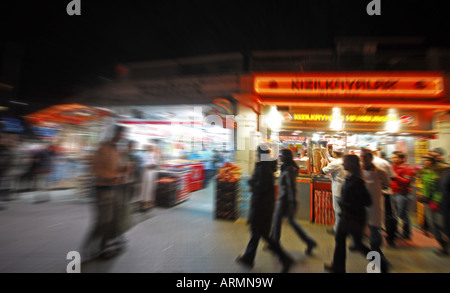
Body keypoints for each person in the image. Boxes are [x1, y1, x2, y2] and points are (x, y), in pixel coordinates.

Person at [236, 144, 294, 273]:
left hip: (261, 207)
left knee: (262, 234)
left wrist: (252, 185)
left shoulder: (263, 168)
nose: (256, 155)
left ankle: (285, 259)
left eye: (257, 153)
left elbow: (261, 188)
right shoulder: (266, 166)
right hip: (265, 206)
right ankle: (248, 258)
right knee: (257, 234)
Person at [81, 125, 128, 261]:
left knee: (111, 220)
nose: (121, 137)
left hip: (114, 189)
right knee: (102, 221)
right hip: (102, 189)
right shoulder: (103, 149)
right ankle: (89, 247)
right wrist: (111, 176)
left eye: (122, 135)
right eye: (120, 134)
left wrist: (124, 169)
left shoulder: (117, 150)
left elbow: (117, 168)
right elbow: (94, 169)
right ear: (114, 133)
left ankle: (104, 248)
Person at [324, 155, 373, 273]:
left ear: (350, 164)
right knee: (340, 239)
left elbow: (367, 201)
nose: (343, 164)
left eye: (345, 162)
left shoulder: (357, 181)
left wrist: (349, 203)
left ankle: (381, 263)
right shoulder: (350, 177)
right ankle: (338, 266)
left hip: (353, 217)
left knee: (358, 244)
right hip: (347, 216)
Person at [269, 148, 317, 255]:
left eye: (281, 155)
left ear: (286, 156)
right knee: (282, 221)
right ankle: (274, 242)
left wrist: (292, 202)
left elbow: (291, 187)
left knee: (280, 220)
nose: (279, 156)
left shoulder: (289, 169)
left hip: (286, 199)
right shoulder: (286, 166)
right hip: (285, 198)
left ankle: (309, 242)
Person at [361, 151, 391, 269]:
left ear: (371, 158)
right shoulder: (359, 171)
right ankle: (379, 259)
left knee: (374, 233)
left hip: (375, 206)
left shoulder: (380, 172)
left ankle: (378, 260)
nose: (363, 159)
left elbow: (386, 184)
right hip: (362, 206)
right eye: (362, 157)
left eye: (365, 157)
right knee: (361, 234)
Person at [417, 152, 449, 255]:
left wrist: (435, 201)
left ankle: (446, 246)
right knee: (433, 225)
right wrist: (422, 194)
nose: (425, 162)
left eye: (428, 160)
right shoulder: (424, 172)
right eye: (424, 160)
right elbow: (424, 185)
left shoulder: (439, 172)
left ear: (433, 161)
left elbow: (440, 189)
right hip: (427, 201)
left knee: (442, 225)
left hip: (438, 204)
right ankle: (443, 246)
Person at [391, 151, 415, 241]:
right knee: (395, 214)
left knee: (403, 214)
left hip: (403, 194)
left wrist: (395, 176)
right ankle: (396, 231)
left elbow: (406, 182)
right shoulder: (393, 167)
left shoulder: (408, 168)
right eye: (392, 157)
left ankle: (406, 233)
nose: (393, 159)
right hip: (393, 193)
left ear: (402, 159)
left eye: (395, 157)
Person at [321, 147, 346, 234]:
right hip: (346, 189)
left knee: (338, 210)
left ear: (335, 154)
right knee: (344, 211)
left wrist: (323, 163)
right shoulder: (345, 161)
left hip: (338, 189)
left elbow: (323, 171)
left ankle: (338, 230)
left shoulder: (335, 163)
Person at [137, 143, 160, 211]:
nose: (151, 148)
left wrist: (154, 164)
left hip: (152, 173)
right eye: (150, 147)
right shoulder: (144, 155)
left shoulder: (154, 154)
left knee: (150, 188)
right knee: (144, 189)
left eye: (152, 147)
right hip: (146, 173)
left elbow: (156, 164)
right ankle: (143, 203)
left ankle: (149, 203)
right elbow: (142, 164)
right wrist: (148, 165)